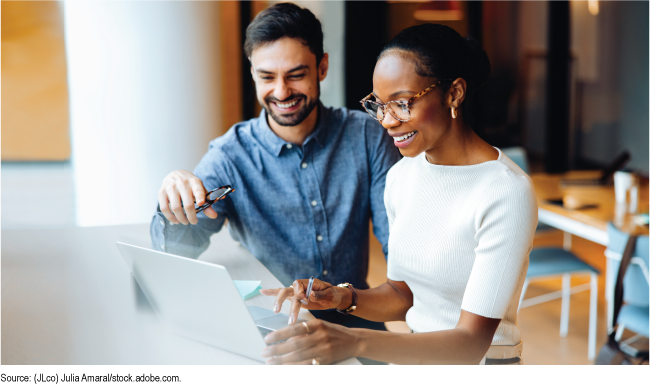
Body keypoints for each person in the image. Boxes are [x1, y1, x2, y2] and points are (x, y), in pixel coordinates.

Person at [260, 23, 538, 365]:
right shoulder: (402, 176)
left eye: (402, 103)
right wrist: (341, 297)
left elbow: (470, 343)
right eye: (378, 104)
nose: (387, 120)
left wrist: (353, 340)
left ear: (454, 94)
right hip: (416, 360)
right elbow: (402, 294)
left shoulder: (505, 190)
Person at [150, 3, 400, 335]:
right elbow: (178, 252)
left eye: (296, 75)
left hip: (356, 320)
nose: (281, 92)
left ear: (322, 67)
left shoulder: (367, 137)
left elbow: (399, 246)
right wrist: (172, 203)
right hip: (273, 329)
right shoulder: (229, 156)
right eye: (267, 77)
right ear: (252, 73)